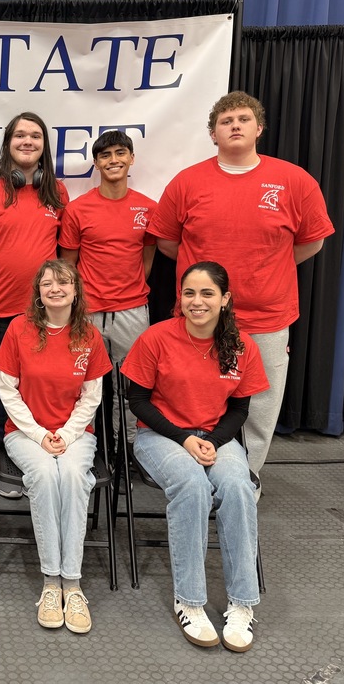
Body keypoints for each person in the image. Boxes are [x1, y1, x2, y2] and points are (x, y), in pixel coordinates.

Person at [149, 92, 334, 479]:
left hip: (267, 316)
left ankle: (245, 479)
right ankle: (195, 474)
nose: (235, 125)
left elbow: (312, 241)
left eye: (243, 119)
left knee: (261, 406)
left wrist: (271, 268)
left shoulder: (293, 181)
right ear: (213, 134)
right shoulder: (187, 182)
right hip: (200, 319)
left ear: (259, 129)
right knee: (191, 398)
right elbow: (167, 241)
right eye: (226, 120)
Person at [121, 261, 269, 652]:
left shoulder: (240, 346)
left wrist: (214, 441)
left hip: (216, 438)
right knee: (191, 485)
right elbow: (137, 401)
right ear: (179, 298)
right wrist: (186, 438)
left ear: (225, 299)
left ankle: (242, 603)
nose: (197, 301)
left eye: (207, 293)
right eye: (189, 293)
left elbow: (239, 409)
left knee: (238, 486)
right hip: (160, 436)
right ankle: (190, 600)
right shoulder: (156, 338)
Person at [0, 259, 112, 634]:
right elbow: (6, 390)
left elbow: (92, 397)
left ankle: (72, 584)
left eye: (64, 283)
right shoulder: (19, 329)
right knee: (44, 474)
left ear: (76, 291)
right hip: (25, 433)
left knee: (75, 476)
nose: (56, 289)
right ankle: (50, 582)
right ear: (39, 292)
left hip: (75, 433)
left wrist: (67, 433)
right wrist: (40, 434)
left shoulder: (89, 335)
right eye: (48, 283)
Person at [0, 112, 69, 497]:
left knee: (36, 391)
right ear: (8, 144)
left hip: (43, 314)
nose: (28, 141)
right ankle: (1, 458)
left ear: (44, 146)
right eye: (20, 135)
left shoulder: (56, 193)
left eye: (36, 136)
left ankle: (38, 452)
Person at [59, 129, 156, 443]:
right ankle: (82, 444)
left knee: (132, 385)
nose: (113, 160)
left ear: (131, 158)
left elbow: (147, 257)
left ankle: (129, 447)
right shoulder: (78, 209)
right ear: (96, 164)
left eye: (119, 153)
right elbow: (68, 265)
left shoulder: (147, 208)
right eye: (105, 155)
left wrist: (128, 291)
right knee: (79, 383)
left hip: (132, 311)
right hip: (88, 312)